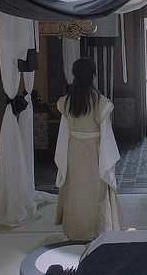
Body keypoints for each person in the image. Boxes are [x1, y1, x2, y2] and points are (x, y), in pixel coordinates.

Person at [54, 57, 122, 241]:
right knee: (95, 189)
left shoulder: (66, 101)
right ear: (94, 76)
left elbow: (63, 133)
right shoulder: (101, 103)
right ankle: (98, 229)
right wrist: (109, 162)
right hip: (95, 149)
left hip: (73, 149)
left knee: (74, 188)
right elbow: (107, 135)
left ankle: (74, 229)